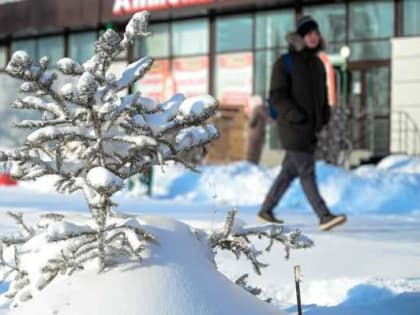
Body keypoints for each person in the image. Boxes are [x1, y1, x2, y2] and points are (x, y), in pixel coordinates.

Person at [257, 16, 347, 231]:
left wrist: (325, 114)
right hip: (292, 127)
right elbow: (277, 96)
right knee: (307, 170)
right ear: (300, 37)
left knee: (289, 172)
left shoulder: (317, 63)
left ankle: (266, 210)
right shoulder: (285, 62)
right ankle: (323, 215)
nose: (314, 37)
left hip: (310, 128)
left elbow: (322, 95)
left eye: (316, 33)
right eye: (309, 34)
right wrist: (295, 114)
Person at [246, 95, 268, 165]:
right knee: (258, 150)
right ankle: (255, 163)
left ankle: (251, 165)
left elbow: (251, 122)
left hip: (254, 134)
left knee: (251, 151)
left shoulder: (256, 109)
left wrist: (247, 118)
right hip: (261, 133)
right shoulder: (264, 109)